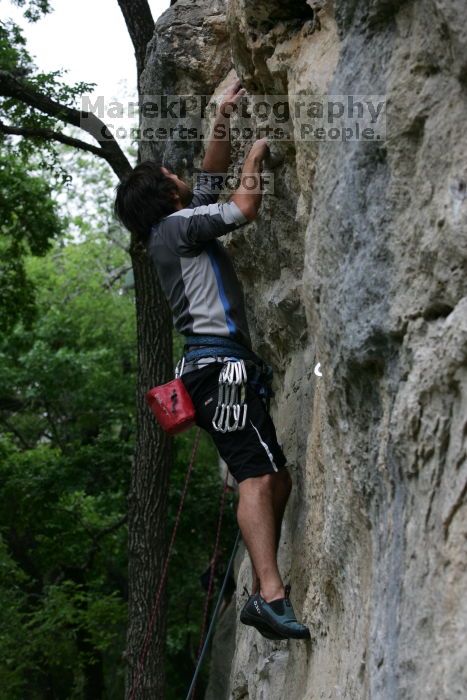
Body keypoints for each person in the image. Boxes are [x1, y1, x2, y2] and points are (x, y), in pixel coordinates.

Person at [114, 80, 310, 641]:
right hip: (218, 369)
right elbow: (243, 203)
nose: (183, 177)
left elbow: (208, 175)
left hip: (210, 372)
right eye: (173, 178)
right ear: (167, 194)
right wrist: (255, 152)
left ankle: (261, 585)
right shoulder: (178, 229)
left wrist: (222, 115)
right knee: (256, 475)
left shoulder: (171, 232)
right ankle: (269, 596)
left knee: (276, 476)